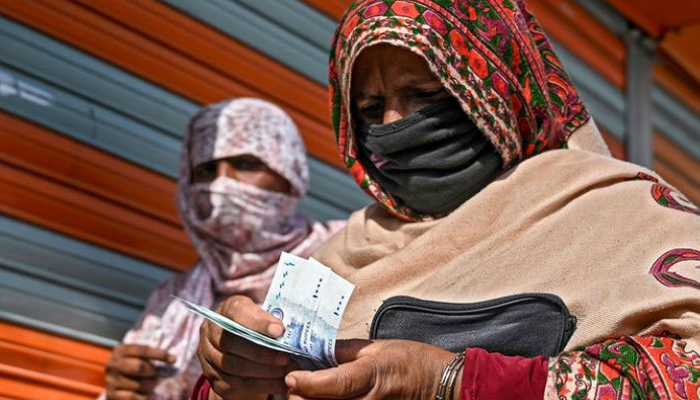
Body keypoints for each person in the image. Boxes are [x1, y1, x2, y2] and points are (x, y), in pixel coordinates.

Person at [192, 1, 700, 399]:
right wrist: (234, 378)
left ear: (499, 88)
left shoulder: (617, 214)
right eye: (370, 107)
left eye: (424, 95)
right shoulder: (343, 256)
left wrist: (454, 382)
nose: (392, 125)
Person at [101, 98, 344, 400]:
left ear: (289, 171)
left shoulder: (344, 253)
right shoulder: (173, 298)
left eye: (245, 164)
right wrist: (122, 390)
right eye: (206, 170)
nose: (221, 184)